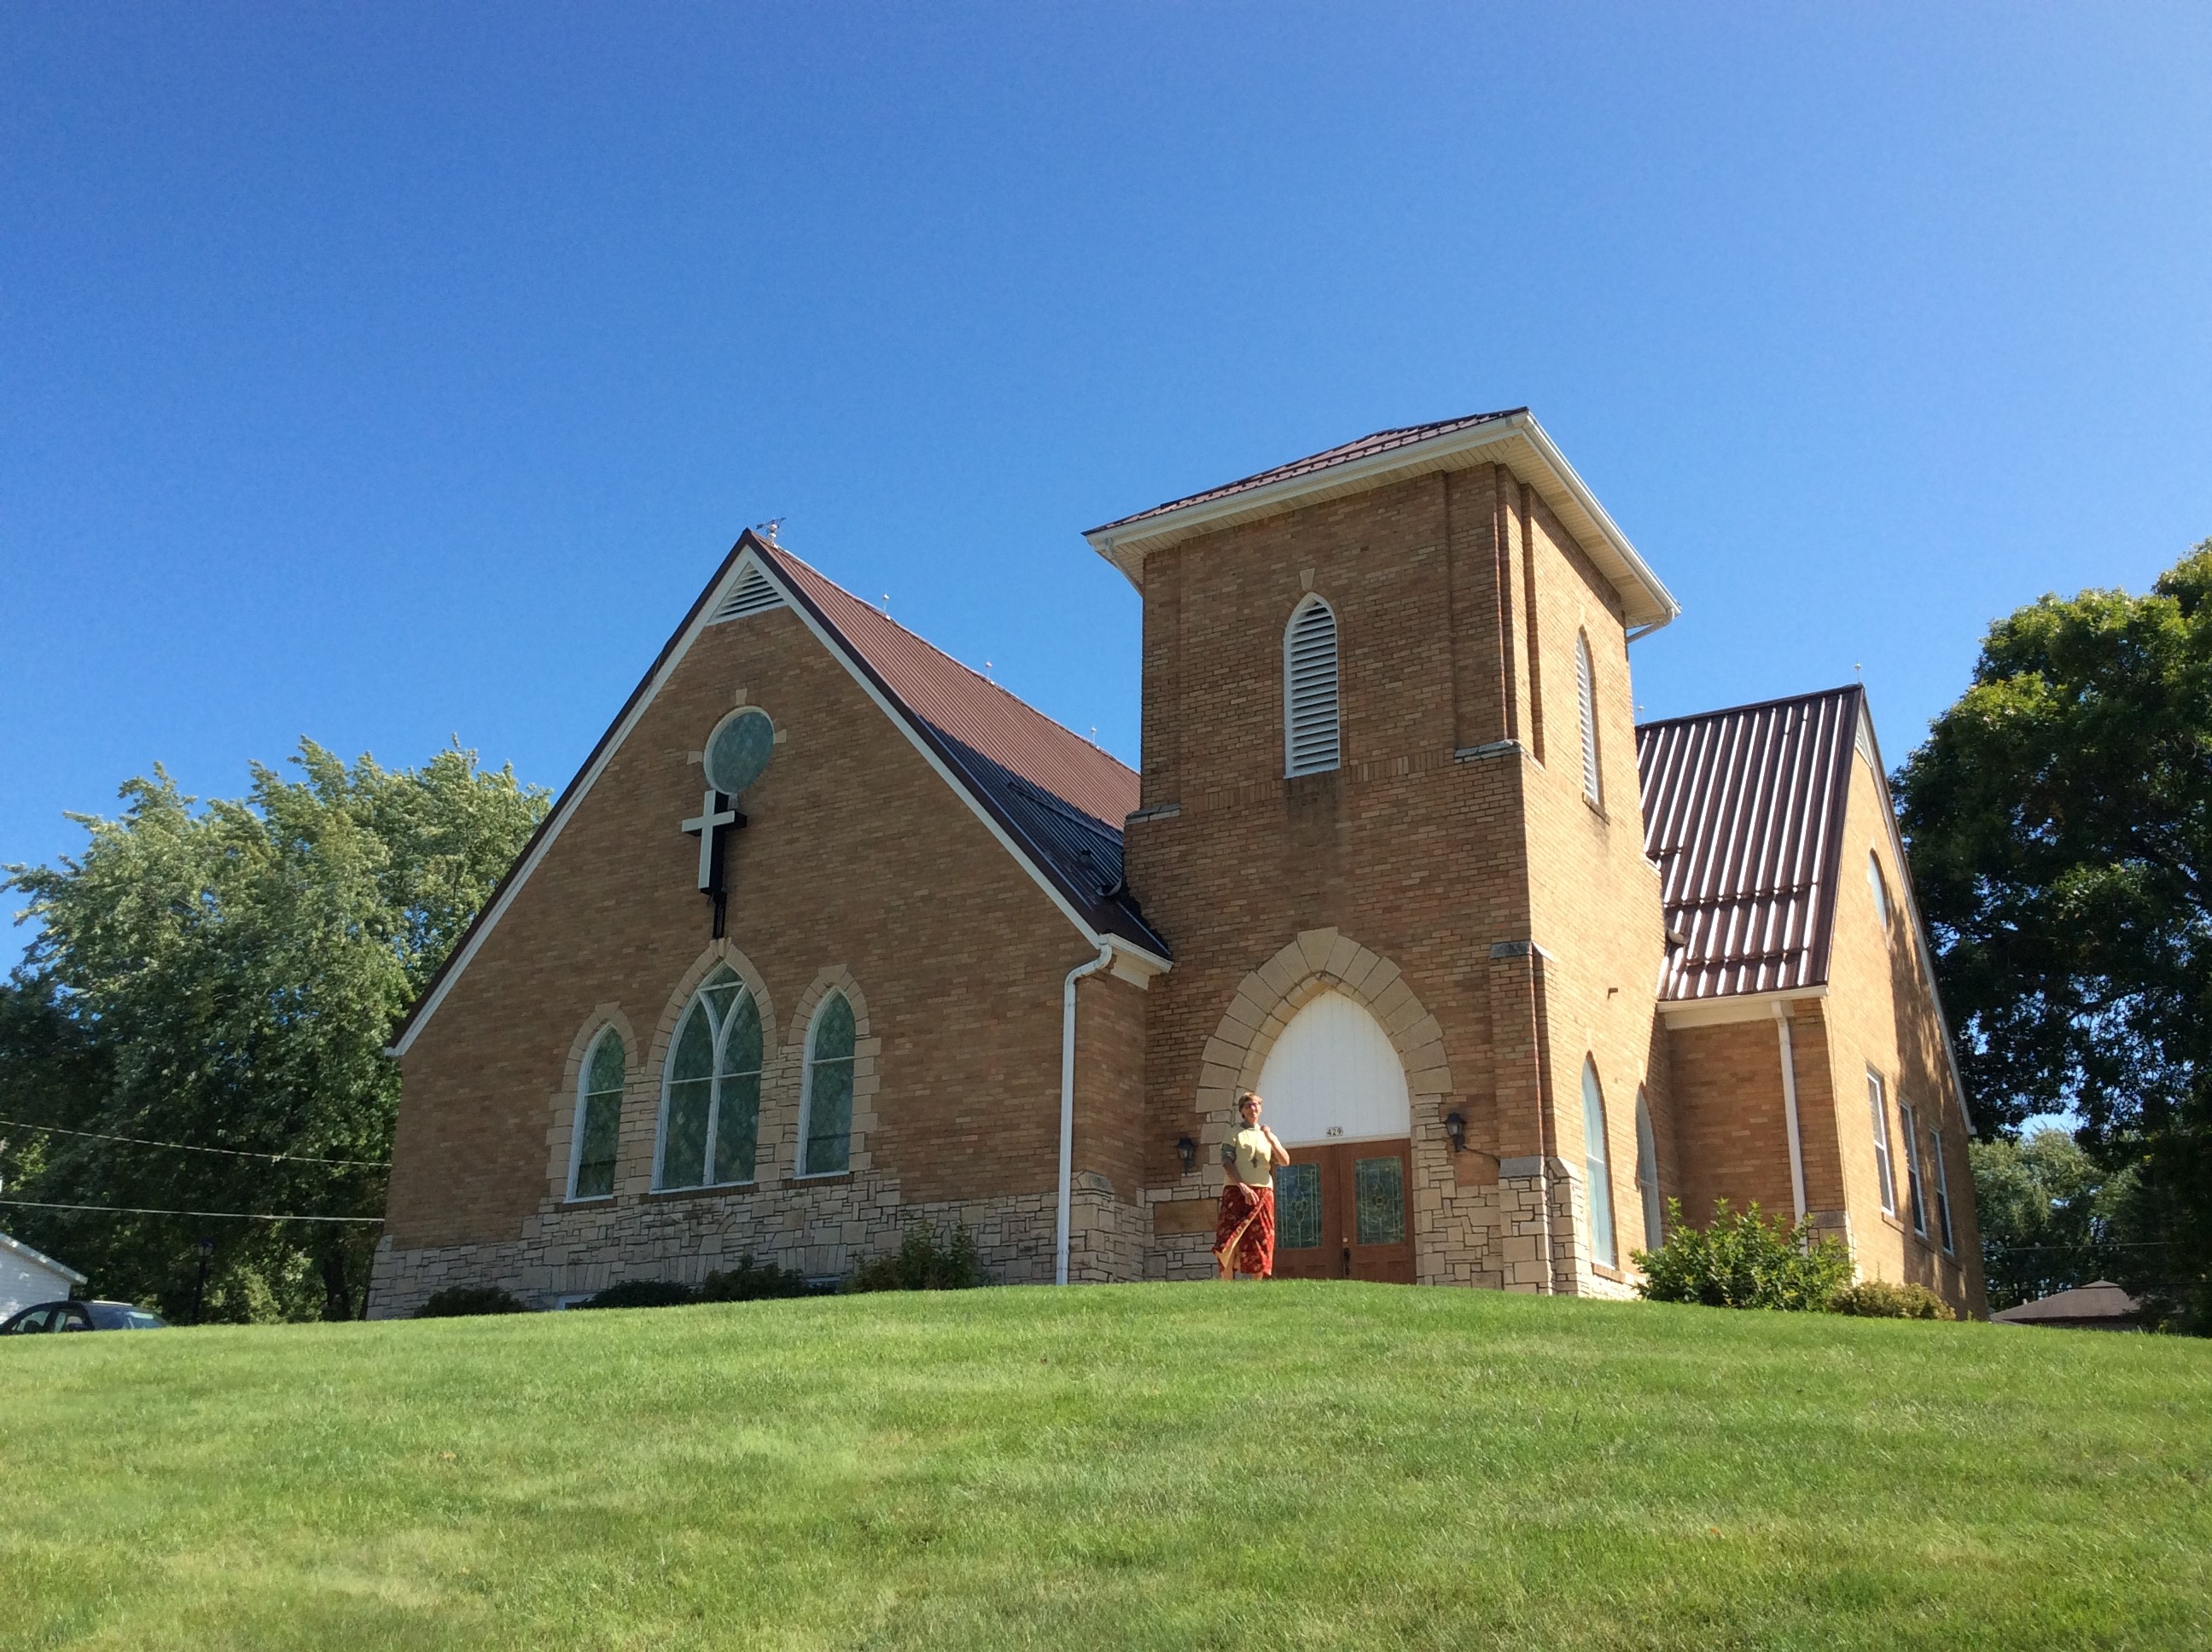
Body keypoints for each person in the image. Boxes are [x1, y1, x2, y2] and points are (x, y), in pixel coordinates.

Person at [1214, 1090, 1290, 1280]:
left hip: (1263, 1193)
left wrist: (1272, 1139)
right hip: (1236, 1191)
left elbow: (1284, 1161)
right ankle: (1227, 1283)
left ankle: (1256, 1284)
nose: (1253, 1108)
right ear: (1242, 1110)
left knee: (1261, 1238)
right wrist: (1242, 1186)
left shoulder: (1267, 1135)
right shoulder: (1234, 1133)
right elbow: (1226, 1162)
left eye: (1256, 1105)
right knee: (1230, 1237)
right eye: (1248, 1105)